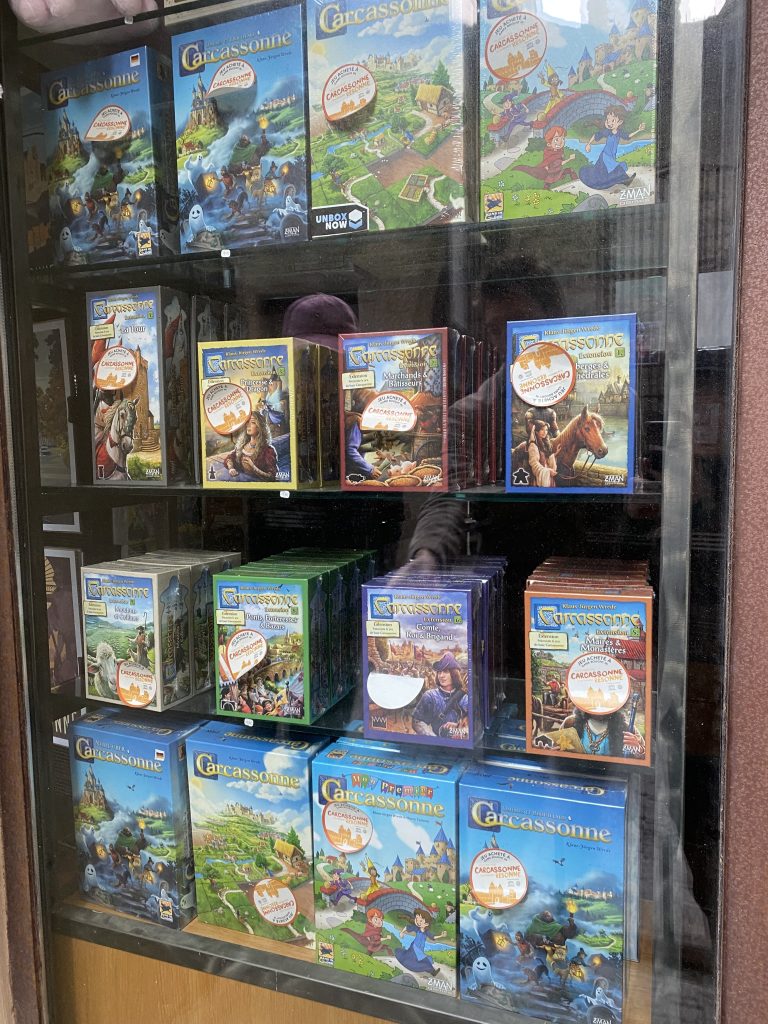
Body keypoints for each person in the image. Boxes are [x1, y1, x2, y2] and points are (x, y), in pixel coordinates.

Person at [578, 106, 646, 191]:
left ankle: (624, 181)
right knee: (615, 168)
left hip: (611, 156)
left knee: (610, 170)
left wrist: (638, 130)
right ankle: (624, 181)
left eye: (613, 120)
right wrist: (588, 144)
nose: (609, 123)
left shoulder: (619, 133)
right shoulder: (607, 132)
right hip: (605, 156)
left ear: (620, 122)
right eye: (608, 120)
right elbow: (596, 135)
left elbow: (628, 136)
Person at [411, 653, 468, 737]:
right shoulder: (430, 696)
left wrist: (457, 726)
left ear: (454, 674)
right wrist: (434, 738)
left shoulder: (465, 698)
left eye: (446, 671)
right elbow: (417, 721)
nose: (441, 676)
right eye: (439, 672)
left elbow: (470, 728)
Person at [225, 411, 278, 481]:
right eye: (247, 422)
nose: (248, 425)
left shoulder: (268, 451)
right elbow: (230, 458)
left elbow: (272, 476)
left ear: (260, 427)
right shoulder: (242, 446)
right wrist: (231, 468)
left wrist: (253, 467)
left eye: (253, 422)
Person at [395, 909, 447, 976]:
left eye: (420, 921)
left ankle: (432, 971)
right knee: (417, 959)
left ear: (426, 924)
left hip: (420, 949)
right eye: (417, 919)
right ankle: (431, 971)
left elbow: (433, 937)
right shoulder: (417, 928)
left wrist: (441, 936)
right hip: (414, 948)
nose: (417, 921)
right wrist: (402, 932)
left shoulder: (426, 932)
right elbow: (407, 927)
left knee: (424, 959)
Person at [527, 420, 557, 487]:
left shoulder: (544, 444)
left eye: (546, 430)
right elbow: (534, 464)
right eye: (542, 430)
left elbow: (547, 459)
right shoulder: (533, 445)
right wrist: (548, 471)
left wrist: (555, 454)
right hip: (540, 478)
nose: (545, 432)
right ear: (536, 431)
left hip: (547, 476)